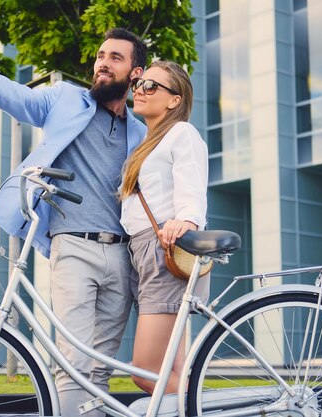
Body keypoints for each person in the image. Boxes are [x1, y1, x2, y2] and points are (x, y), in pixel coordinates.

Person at [0, 28, 147, 417]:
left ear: (135, 72)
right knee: (72, 366)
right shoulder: (65, 100)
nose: (102, 62)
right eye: (100, 55)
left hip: (122, 256)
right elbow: (18, 97)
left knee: (100, 370)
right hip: (73, 248)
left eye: (115, 57)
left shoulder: (141, 132)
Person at [118, 60, 209, 394]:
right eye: (139, 84)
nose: (140, 90)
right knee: (175, 369)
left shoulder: (181, 133)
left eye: (151, 86)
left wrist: (187, 220)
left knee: (146, 373)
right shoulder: (148, 141)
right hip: (145, 250)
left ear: (174, 99)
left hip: (164, 250)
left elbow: (192, 184)